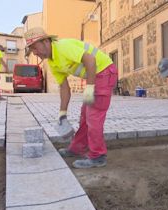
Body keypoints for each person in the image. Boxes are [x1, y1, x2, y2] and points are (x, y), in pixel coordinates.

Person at [24, 27, 117, 169]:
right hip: (96, 75)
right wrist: (62, 113)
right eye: (32, 50)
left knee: (93, 116)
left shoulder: (62, 47)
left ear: (45, 41)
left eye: (35, 48)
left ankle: (98, 156)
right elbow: (64, 88)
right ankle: (78, 148)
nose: (35, 53)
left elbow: (90, 60)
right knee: (85, 116)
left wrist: (90, 88)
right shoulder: (52, 62)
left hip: (104, 72)